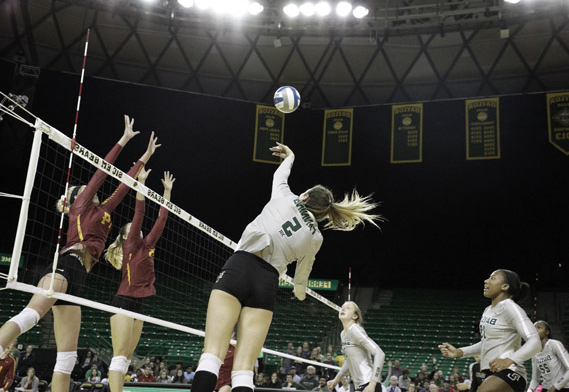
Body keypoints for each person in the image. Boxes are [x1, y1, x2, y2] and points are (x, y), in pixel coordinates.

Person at [191, 142, 381, 392]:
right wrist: (300, 292)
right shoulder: (316, 239)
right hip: (267, 284)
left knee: (213, 354)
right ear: (324, 215)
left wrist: (290, 156)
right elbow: (301, 279)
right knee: (244, 369)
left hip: (241, 266)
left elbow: (279, 174)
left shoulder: (285, 196)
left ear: (304, 196)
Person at [0, 116, 160, 392]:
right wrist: (123, 140)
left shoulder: (104, 212)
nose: (89, 187)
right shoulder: (81, 206)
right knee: (32, 314)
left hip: (79, 280)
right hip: (66, 264)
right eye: (83, 188)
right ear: (75, 198)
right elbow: (104, 170)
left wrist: (144, 157)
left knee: (67, 358)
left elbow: (123, 184)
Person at [106, 169, 174, 392]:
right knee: (119, 355)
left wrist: (166, 191)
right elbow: (139, 213)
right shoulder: (131, 245)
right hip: (123, 300)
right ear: (126, 236)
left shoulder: (149, 246)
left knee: (127, 358)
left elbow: (162, 218)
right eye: (133, 231)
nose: (139, 230)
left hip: (139, 304)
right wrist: (140, 184)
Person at [439, 269, 542, 392]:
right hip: (490, 373)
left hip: (511, 373)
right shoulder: (488, 310)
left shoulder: (510, 307)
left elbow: (535, 341)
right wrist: (459, 352)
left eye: (492, 278)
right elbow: (487, 343)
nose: (486, 281)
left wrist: (510, 360)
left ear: (505, 286)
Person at [327, 302, 386, 392]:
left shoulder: (355, 329)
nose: (343, 309)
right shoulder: (343, 334)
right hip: (360, 386)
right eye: (342, 307)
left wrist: (372, 384)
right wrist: (336, 380)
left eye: (348, 307)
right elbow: (349, 360)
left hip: (369, 384)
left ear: (355, 316)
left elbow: (380, 354)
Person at [527, 321, 569, 392]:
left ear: (547, 332)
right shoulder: (534, 352)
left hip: (563, 388)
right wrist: (529, 390)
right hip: (546, 388)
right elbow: (535, 379)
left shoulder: (554, 344)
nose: (535, 330)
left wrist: (555, 386)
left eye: (539, 327)